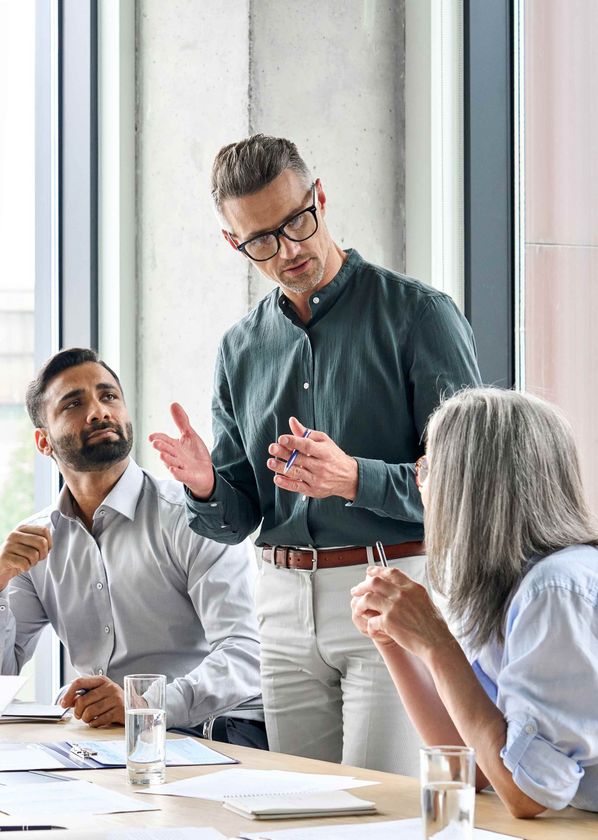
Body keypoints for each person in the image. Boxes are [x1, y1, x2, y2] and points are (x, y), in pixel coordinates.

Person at [149, 134, 481, 773]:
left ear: (320, 197)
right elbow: (238, 514)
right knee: (299, 809)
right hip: (278, 603)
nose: (290, 249)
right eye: (263, 240)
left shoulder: (420, 316)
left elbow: (471, 488)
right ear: (234, 244)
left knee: (376, 810)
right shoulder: (239, 349)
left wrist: (356, 478)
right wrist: (203, 488)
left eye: (297, 222)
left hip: (394, 588)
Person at [0, 348, 266, 748]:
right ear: (43, 442)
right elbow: (4, 676)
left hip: (214, 731)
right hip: (107, 743)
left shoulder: (190, 517)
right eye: (74, 404)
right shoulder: (35, 542)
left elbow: (246, 654)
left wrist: (143, 704)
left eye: (108, 397)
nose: (98, 412)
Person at [351, 387, 598, 814]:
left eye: (427, 466)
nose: (419, 481)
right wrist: (391, 638)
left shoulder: (555, 590)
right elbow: (475, 765)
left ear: (469, 488)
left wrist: (436, 641)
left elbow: (528, 794)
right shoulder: (500, 587)